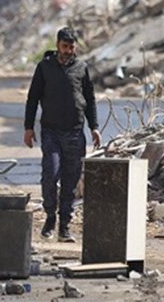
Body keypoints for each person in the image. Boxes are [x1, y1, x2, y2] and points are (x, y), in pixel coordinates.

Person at [24, 27, 101, 241]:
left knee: (71, 180)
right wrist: (28, 128)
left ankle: (64, 226)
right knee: (51, 173)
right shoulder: (44, 67)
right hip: (51, 132)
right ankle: (50, 215)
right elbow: (32, 99)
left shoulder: (81, 68)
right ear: (58, 45)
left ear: (75, 47)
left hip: (76, 132)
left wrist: (94, 126)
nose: (68, 51)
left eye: (71, 47)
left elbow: (90, 99)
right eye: (64, 46)